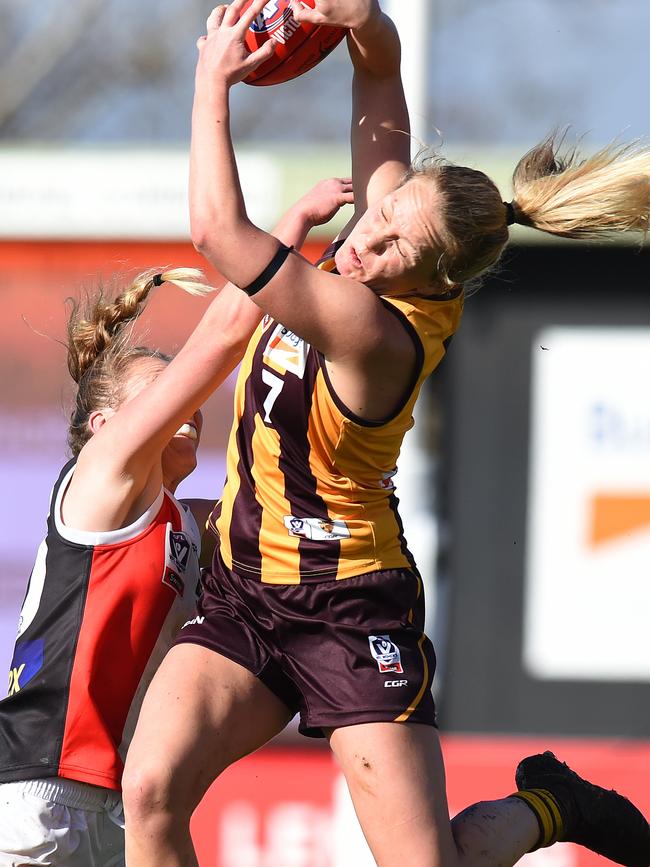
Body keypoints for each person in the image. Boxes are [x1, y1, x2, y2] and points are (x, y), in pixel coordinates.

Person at [122, 1, 650, 866]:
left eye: (397, 242)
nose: (369, 238)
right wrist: (363, 21)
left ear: (430, 279)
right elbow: (376, 77)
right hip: (246, 587)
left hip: (345, 606)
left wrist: (210, 82)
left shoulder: (376, 331)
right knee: (149, 793)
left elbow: (219, 233)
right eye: (384, 210)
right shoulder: (381, 235)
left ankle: (548, 805)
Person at [0, 176, 353, 867]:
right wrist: (297, 226)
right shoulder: (101, 480)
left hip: (115, 804)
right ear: (105, 425)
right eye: (156, 391)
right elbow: (221, 338)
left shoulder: (188, 524)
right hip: (39, 794)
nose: (183, 403)